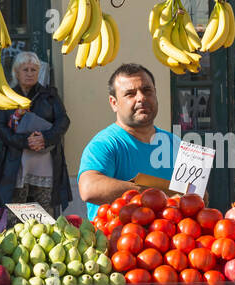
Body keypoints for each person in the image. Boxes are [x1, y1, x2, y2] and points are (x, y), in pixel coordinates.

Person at [77, 64, 180, 220]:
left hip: (172, 240)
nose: (141, 98)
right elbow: (88, 188)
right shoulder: (104, 144)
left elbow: (198, 198)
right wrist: (154, 193)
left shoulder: (175, 143)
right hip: (120, 242)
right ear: (114, 103)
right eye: (130, 94)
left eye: (147, 91)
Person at [0, 52, 71, 221]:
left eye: (34, 69)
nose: (29, 73)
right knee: (16, 211)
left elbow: (63, 121)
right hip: (16, 162)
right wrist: (25, 142)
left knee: (44, 212)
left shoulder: (49, 95)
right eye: (25, 69)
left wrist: (45, 138)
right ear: (16, 72)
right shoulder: (7, 97)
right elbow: (0, 127)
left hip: (45, 162)